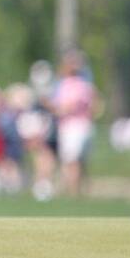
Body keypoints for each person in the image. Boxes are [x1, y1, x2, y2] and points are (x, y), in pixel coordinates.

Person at [52, 49, 99, 196]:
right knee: (79, 162)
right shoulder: (84, 84)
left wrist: (55, 109)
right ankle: (80, 192)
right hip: (81, 126)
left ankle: (73, 193)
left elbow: (66, 107)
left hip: (74, 126)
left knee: (73, 162)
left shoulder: (74, 84)